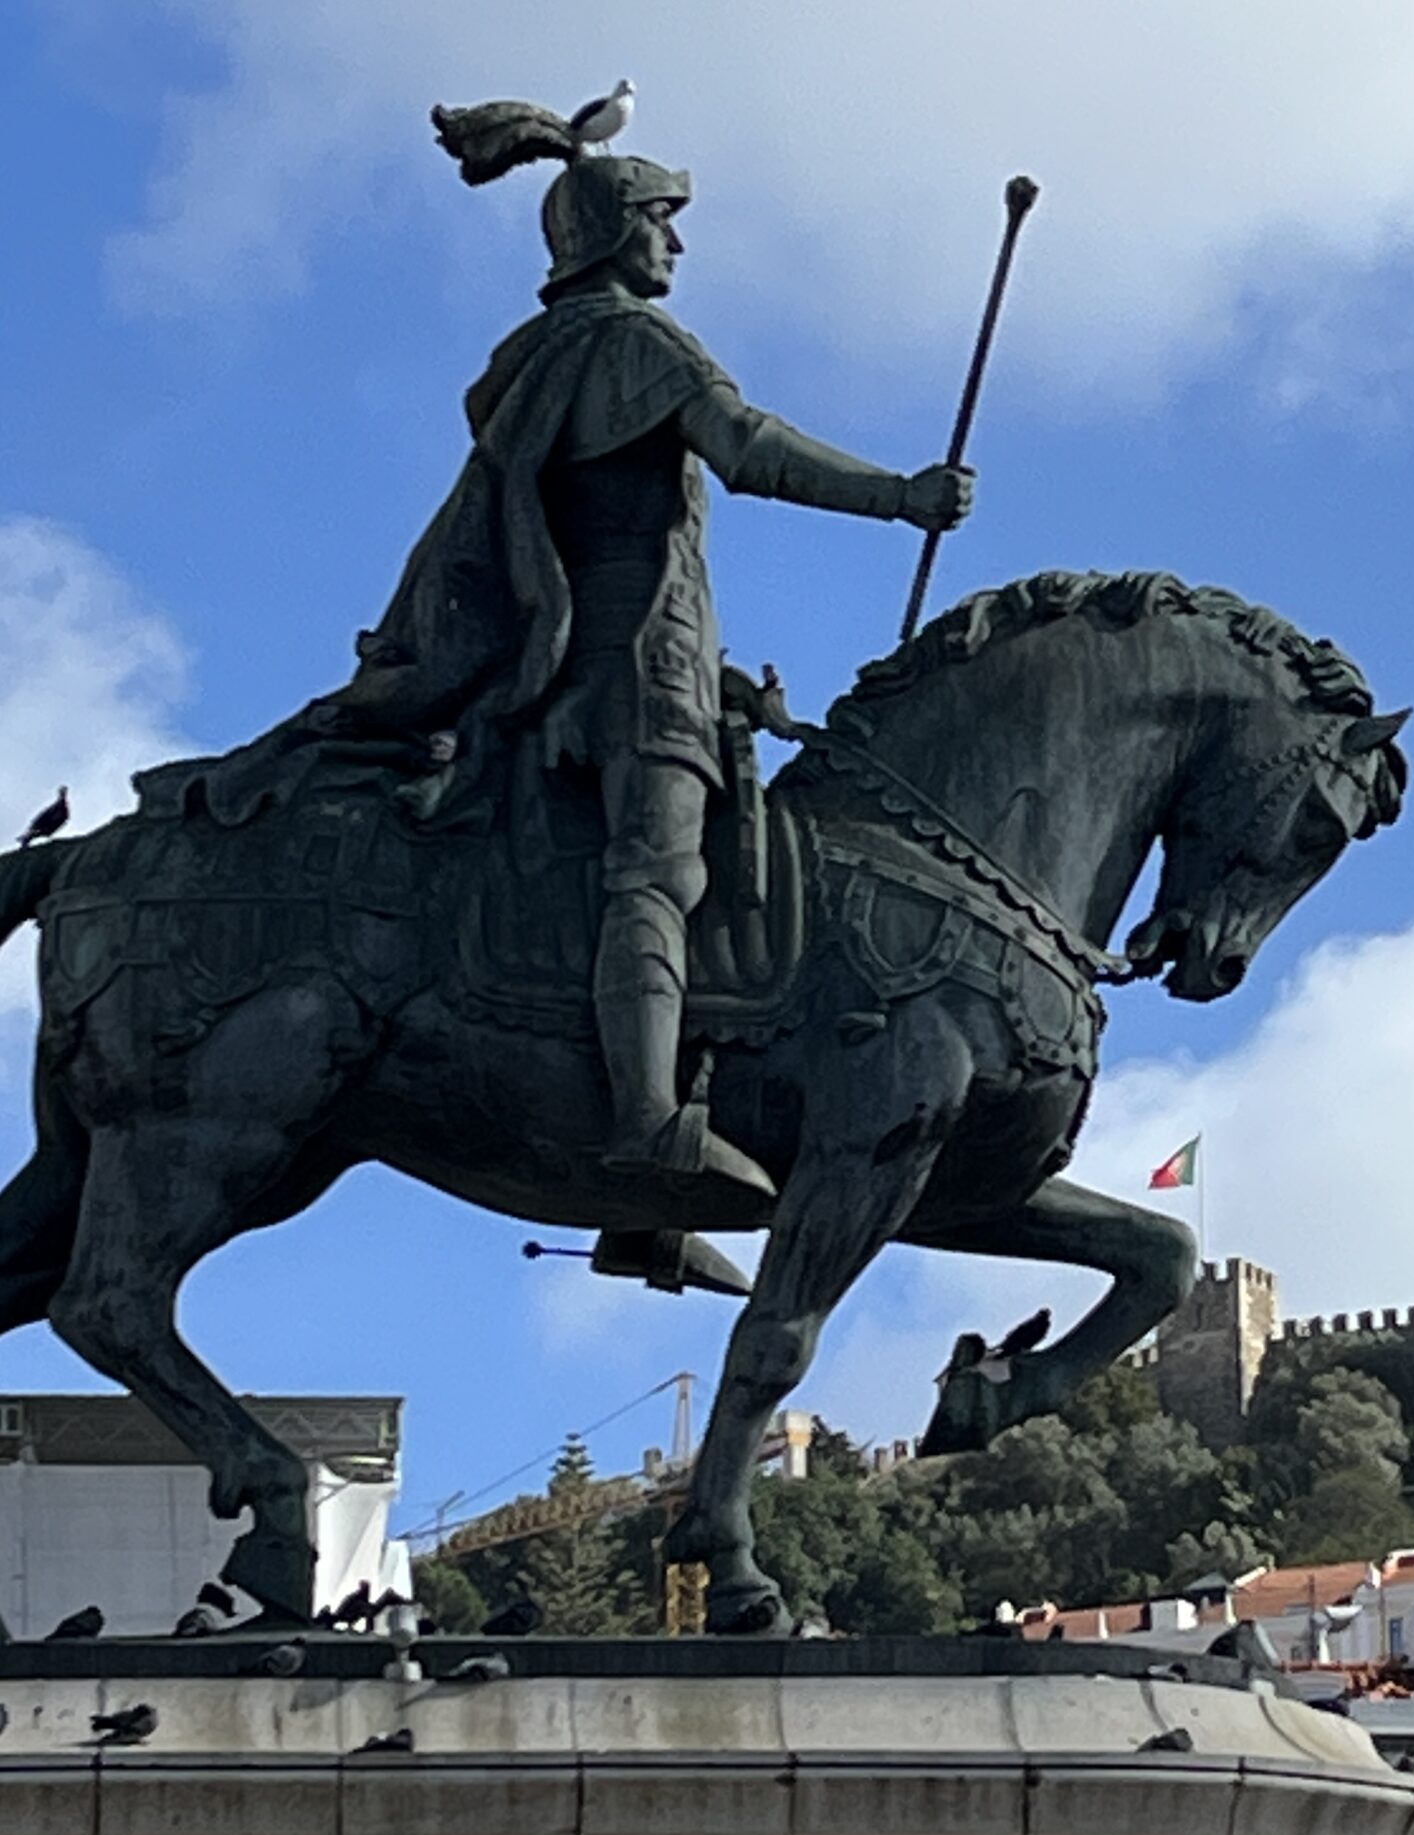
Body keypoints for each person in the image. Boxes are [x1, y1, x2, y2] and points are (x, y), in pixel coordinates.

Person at [333, 107, 972, 1207]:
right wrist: (898, 497)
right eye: (661, 221)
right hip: (637, 675)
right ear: (614, 232)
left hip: (593, 665)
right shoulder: (633, 342)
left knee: (697, 879)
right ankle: (646, 1125)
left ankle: (650, 1182)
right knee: (658, 875)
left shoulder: (541, 359)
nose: (675, 244)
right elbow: (749, 449)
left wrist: (726, 686)